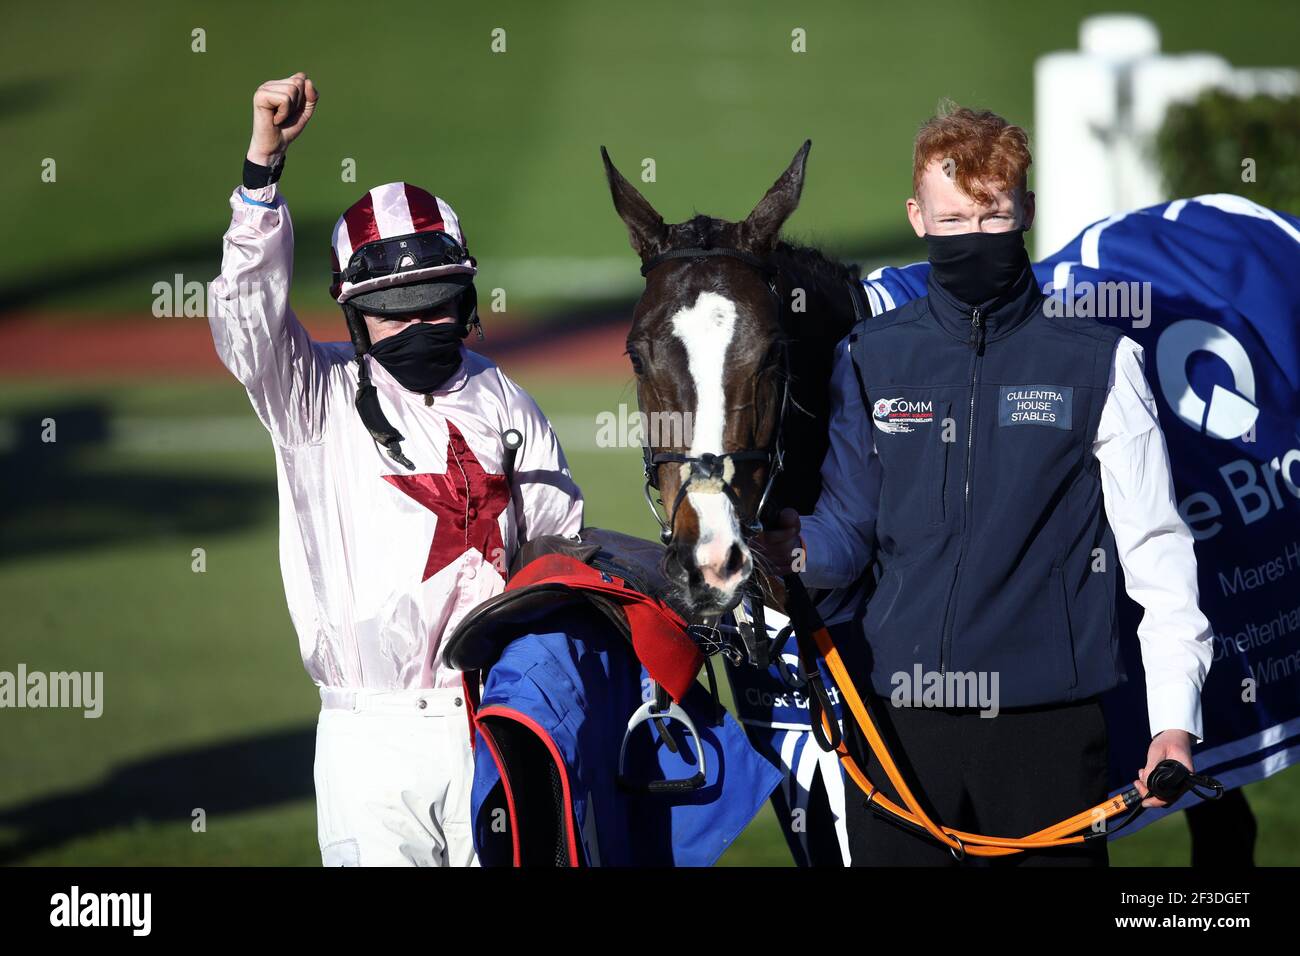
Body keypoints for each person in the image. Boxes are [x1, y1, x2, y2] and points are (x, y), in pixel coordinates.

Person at [756, 103, 1212, 866]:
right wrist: (792, 550)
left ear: (1025, 210)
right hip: (897, 725)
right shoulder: (869, 356)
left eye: (992, 215)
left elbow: (1159, 555)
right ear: (917, 218)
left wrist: (1175, 721)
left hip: (1049, 734)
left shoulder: (1099, 362)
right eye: (953, 218)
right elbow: (849, 531)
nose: (972, 236)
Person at [208, 73, 584, 866]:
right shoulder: (312, 394)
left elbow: (557, 553)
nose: (417, 321)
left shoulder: (501, 396)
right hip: (369, 742)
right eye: (392, 305)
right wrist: (261, 174)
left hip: (497, 722)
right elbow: (246, 321)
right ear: (351, 311)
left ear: (469, 293)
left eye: (436, 298)